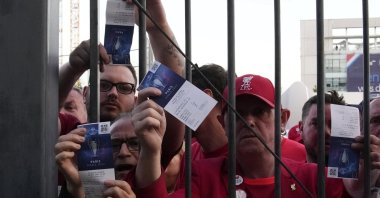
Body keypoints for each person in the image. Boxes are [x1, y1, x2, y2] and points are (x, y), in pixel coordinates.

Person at [130, 74, 379, 197]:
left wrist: (365, 176)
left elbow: (353, 191)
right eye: (237, 114)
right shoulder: (202, 174)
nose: (248, 121)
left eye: (260, 112)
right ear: (222, 123)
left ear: (282, 118)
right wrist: (151, 150)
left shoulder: (312, 177)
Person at [56, 113, 138, 197]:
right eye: (114, 145)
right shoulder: (77, 186)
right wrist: (76, 190)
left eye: (135, 143)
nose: (123, 152)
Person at [299, 90, 345, 165]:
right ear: (301, 128)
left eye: (335, 124)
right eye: (317, 124)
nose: (327, 132)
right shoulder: (287, 174)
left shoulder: (360, 173)